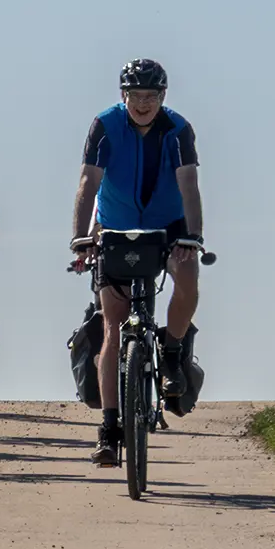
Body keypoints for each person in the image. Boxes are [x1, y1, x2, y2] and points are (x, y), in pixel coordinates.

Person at [69, 59, 204, 466]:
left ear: (163, 97)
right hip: (116, 228)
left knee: (187, 278)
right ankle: (110, 427)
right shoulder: (105, 126)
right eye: (135, 95)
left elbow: (189, 184)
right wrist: (80, 237)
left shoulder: (178, 129)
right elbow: (88, 182)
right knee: (113, 326)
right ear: (122, 95)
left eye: (151, 96)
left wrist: (192, 237)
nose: (143, 103)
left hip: (168, 224)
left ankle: (174, 350)